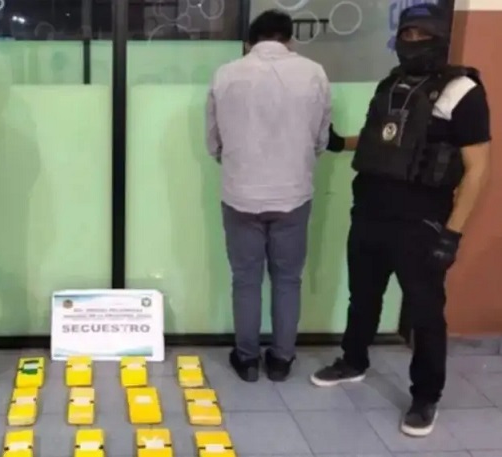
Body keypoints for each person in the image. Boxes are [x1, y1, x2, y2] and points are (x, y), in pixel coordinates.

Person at [311, 4, 491, 437]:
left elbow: (478, 168)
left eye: (421, 36)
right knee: (363, 296)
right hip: (372, 209)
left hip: (422, 219)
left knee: (425, 311)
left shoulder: (463, 92)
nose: (412, 43)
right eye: (406, 35)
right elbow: (385, 140)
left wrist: (452, 234)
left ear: (439, 39)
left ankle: (426, 395)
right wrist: (340, 143)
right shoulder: (391, 84)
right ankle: (354, 360)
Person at [206, 9, 331, 383]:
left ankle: (247, 361)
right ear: (289, 40)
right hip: (293, 194)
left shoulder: (226, 74)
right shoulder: (314, 73)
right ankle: (280, 361)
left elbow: (213, 140)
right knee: (288, 280)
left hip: (240, 194)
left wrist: (236, 164)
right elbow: (321, 138)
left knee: (245, 279)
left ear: (249, 41)